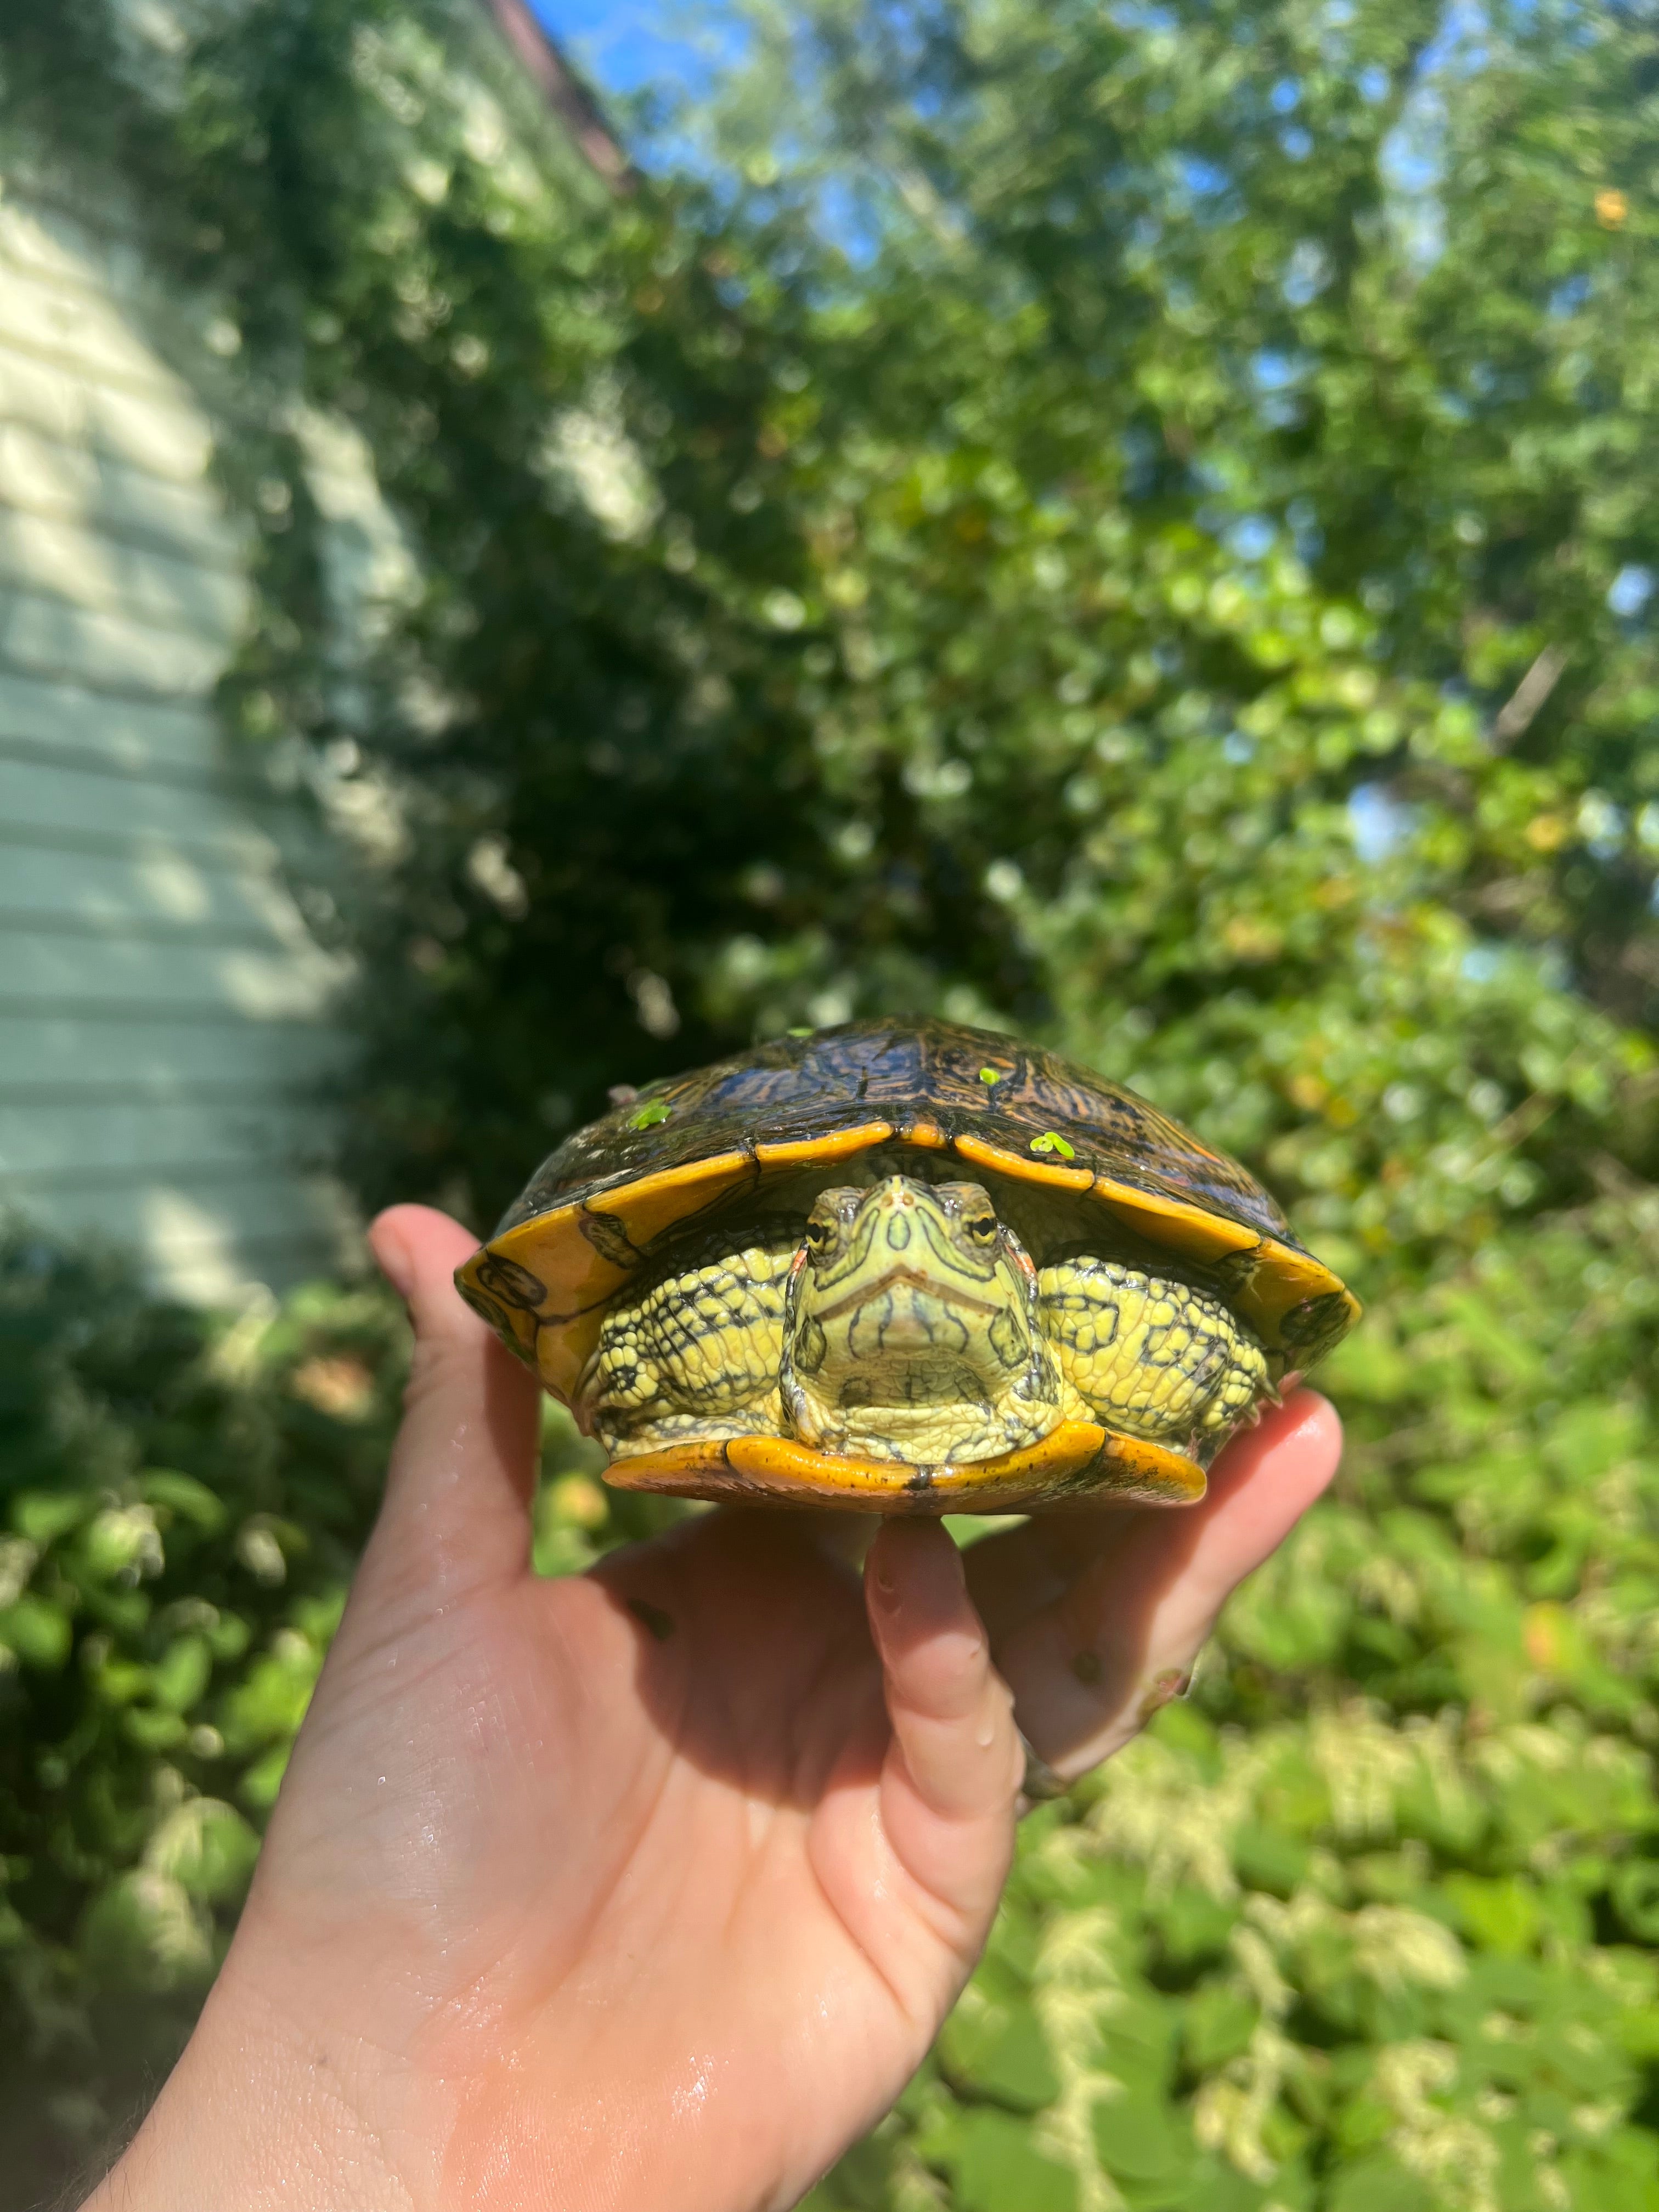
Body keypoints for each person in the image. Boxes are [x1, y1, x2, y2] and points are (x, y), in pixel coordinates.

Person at [87, 1204, 1342, 2212]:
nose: (898, 1233)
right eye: (833, 1237)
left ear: (1018, 1267)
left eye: (964, 1232)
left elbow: (1214, 1339)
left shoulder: (1068, 1319)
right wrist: (374, 2127)